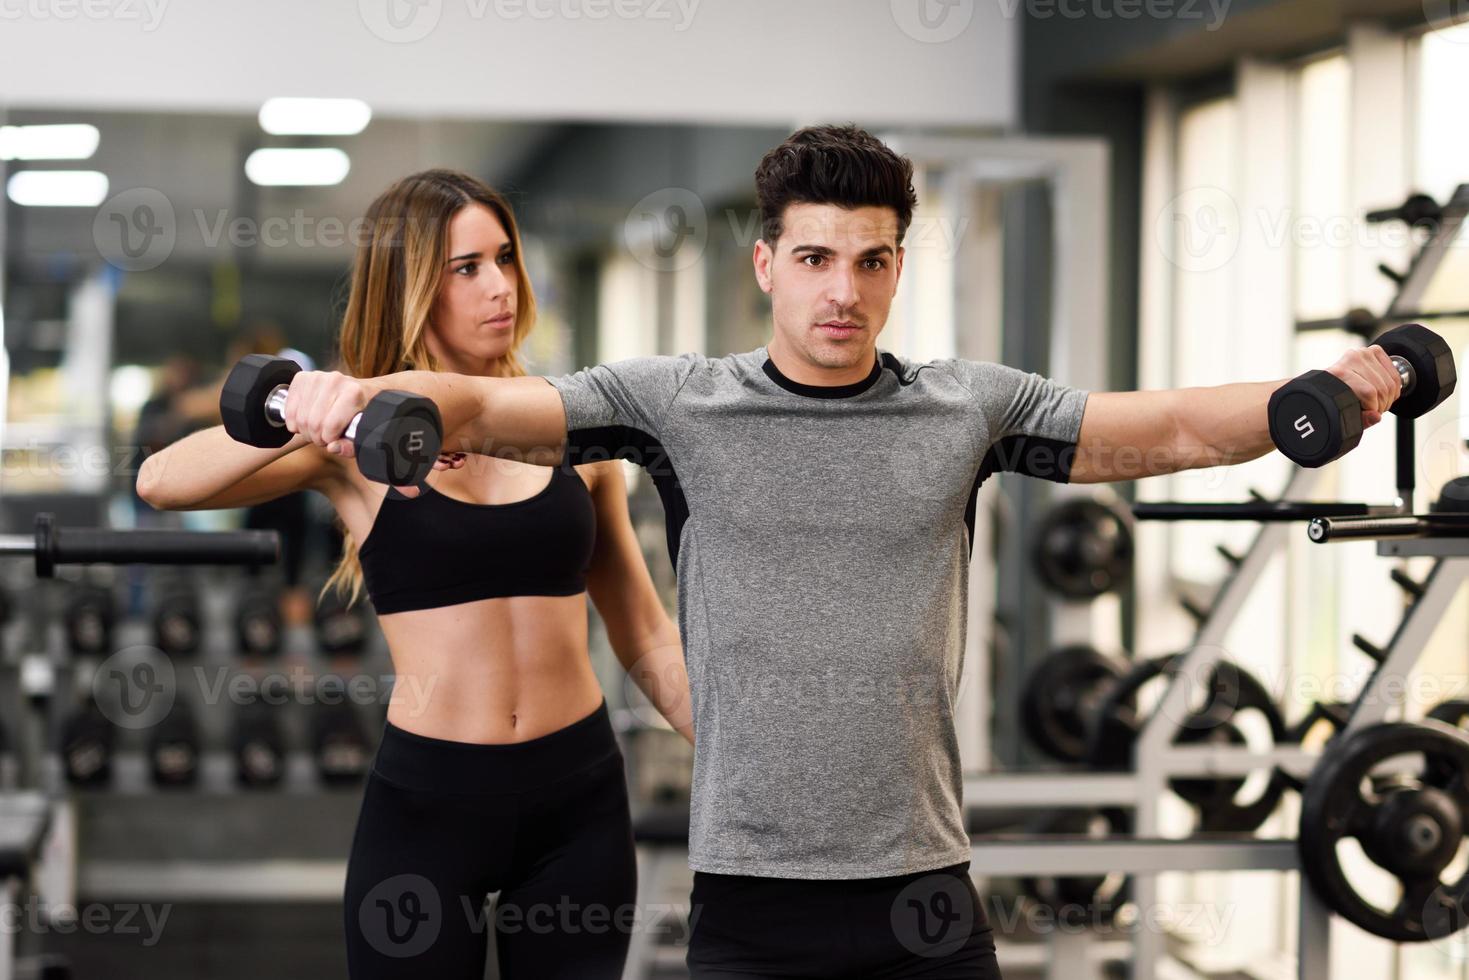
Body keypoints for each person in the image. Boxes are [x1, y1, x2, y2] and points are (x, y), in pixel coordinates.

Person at [274, 126, 1406, 979]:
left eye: (870, 261)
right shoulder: (671, 403)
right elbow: (481, 407)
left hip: (921, 891)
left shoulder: (967, 407)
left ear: (898, 269)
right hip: (746, 899)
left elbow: (1155, 425)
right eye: (815, 257)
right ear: (764, 263)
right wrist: (348, 392)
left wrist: (1321, 393)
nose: (841, 290)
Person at [137, 169, 693, 979]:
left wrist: (738, 755)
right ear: (409, 286)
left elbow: (644, 634)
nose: (499, 286)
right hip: (432, 803)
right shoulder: (350, 449)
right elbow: (160, 482)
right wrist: (307, 404)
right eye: (465, 268)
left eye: (503, 258)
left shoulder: (575, 429)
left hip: (576, 799)